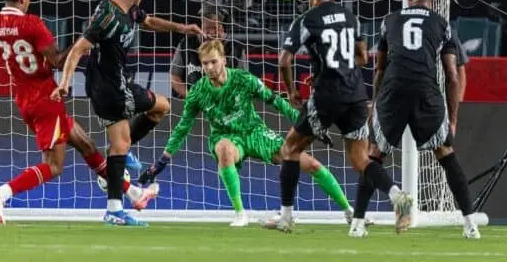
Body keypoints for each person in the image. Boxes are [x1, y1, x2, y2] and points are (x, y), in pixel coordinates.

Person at [0, 0, 157, 224]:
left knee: (86, 146)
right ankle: (1, 194)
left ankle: (133, 193)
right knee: (54, 166)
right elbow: (56, 61)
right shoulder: (33, 24)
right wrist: (83, 41)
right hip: (46, 98)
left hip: (24, 97)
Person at [140, 39, 355, 227]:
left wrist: (308, 124)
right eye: (205, 63)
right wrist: (162, 161)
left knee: (311, 164)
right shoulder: (198, 92)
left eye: (213, 61)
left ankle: (348, 211)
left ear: (224, 60)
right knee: (224, 150)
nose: (209, 67)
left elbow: (276, 101)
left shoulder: (244, 79)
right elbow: (182, 127)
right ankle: (240, 214)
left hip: (255, 131)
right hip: (226, 136)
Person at [50, 0, 203, 226]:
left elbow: (150, 21)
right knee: (160, 109)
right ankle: (114, 193)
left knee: (129, 137)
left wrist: (182, 28)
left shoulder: (127, 7)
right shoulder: (108, 17)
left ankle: (114, 182)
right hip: (112, 88)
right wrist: (64, 83)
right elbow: (77, 49)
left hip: (107, 85)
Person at [264, 0, 412, 233]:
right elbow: (363, 58)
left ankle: (286, 217)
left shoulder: (307, 19)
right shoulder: (349, 16)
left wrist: (291, 91)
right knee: (361, 160)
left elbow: (285, 60)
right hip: (355, 95)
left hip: (326, 96)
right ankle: (396, 195)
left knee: (290, 149)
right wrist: (329, 70)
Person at [350, 0, 481, 239]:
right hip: (425, 92)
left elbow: (380, 68)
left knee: (374, 155)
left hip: (393, 91)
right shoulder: (442, 24)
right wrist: (452, 117)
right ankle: (470, 224)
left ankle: (358, 223)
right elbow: (452, 75)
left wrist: (375, 103)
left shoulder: (390, 21)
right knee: (445, 153)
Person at [170, 5, 246, 98]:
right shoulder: (186, 44)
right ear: (201, 27)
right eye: (207, 28)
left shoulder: (235, 49)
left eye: (215, 28)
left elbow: (242, 82)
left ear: (223, 28)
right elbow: (174, 77)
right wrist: (192, 96)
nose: (211, 32)